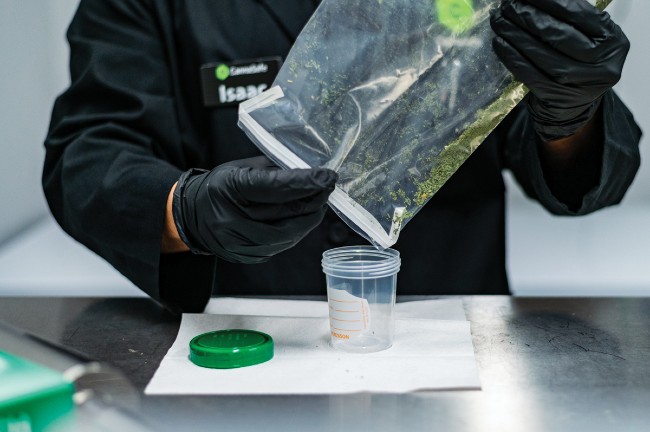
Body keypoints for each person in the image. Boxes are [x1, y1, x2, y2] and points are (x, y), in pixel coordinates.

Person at [44, 0, 641, 314]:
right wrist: (187, 210)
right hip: (250, 342)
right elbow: (87, 151)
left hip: (451, 339)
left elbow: (583, 178)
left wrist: (569, 111)